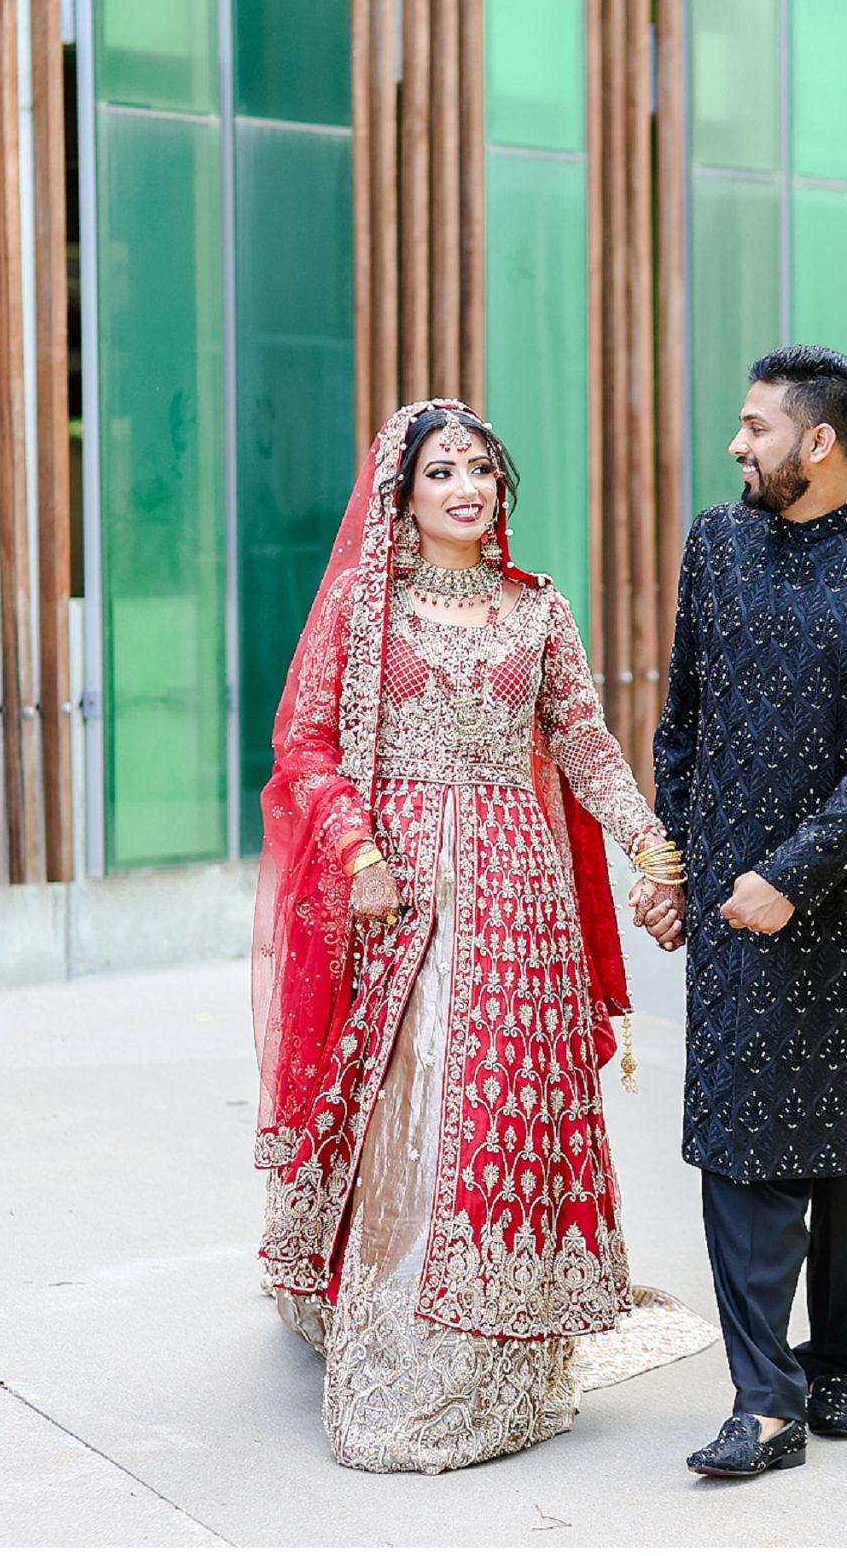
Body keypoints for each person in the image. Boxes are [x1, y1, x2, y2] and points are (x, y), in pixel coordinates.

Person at [252, 400, 693, 1472]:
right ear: (401, 493)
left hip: (515, 884)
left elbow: (582, 743)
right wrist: (357, 852)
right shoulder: (366, 608)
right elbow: (305, 744)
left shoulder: (537, 610)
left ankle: (507, 1359)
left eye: (481, 468)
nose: (464, 484)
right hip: (398, 887)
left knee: (503, 1102)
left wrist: (649, 845)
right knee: (416, 1102)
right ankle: (402, 1353)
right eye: (441, 468)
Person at [639, 345, 847, 1479]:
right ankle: (762, 1400)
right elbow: (680, 709)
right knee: (737, 1142)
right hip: (733, 897)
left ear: (817, 441)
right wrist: (676, 851)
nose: (736, 444)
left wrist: (796, 871)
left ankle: (836, 1359)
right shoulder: (716, 542)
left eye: (754, 426)